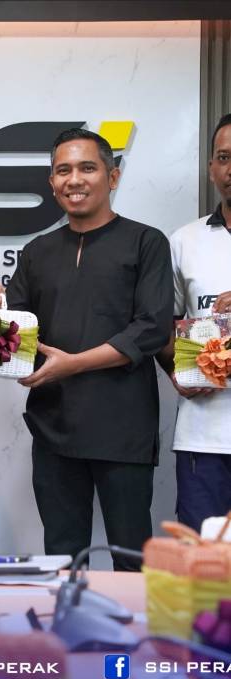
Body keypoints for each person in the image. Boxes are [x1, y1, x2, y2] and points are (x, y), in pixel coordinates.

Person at [0, 128, 173, 570]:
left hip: (124, 429)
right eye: (63, 170)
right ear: (52, 183)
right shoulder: (37, 252)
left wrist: (74, 364)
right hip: (54, 427)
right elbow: (15, 332)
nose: (74, 179)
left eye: (87, 168)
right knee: (62, 559)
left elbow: (151, 329)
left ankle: (132, 621)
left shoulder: (146, 242)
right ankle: (68, 617)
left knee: (131, 560)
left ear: (113, 177)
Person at [157, 114, 231, 531]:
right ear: (211, 168)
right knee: (202, 561)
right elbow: (162, 326)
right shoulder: (184, 240)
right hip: (204, 437)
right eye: (224, 157)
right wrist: (175, 370)